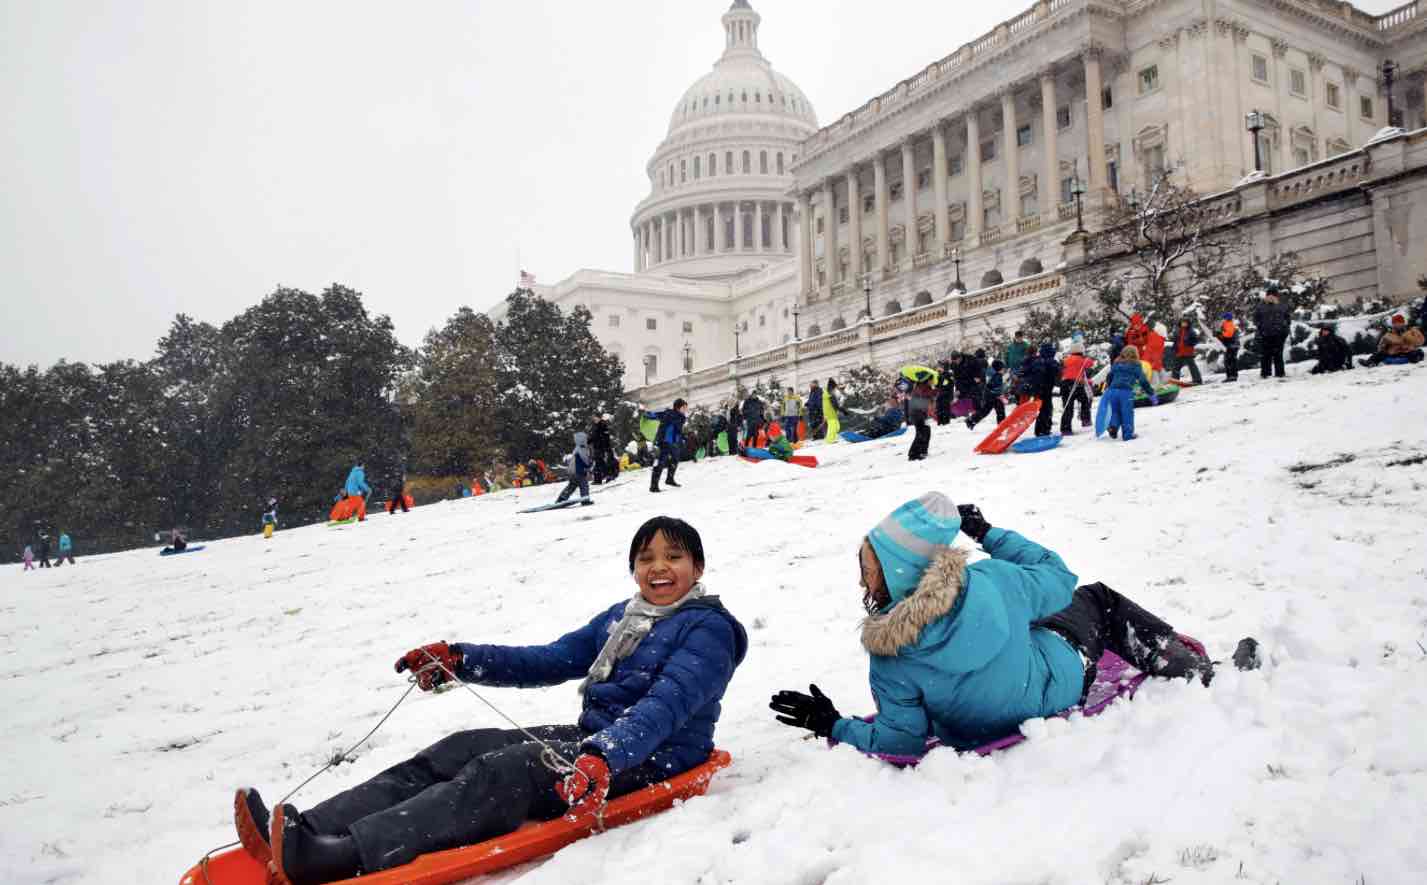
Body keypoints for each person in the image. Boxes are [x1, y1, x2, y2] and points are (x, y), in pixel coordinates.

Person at [236, 516, 747, 885]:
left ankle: (342, 856)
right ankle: (312, 829)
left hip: (653, 757)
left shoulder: (710, 630)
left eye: (674, 557)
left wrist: (603, 756)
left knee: (509, 770)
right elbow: (548, 659)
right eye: (647, 558)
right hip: (598, 743)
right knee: (463, 747)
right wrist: (461, 658)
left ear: (697, 567)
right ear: (633, 568)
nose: (659, 568)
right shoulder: (624, 617)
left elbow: (665, 706)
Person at [768, 493, 1259, 758]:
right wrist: (985, 532)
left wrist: (831, 723)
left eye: (867, 566)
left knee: (1029, 612)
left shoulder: (888, 655)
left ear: (894, 576)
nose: (862, 576)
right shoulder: (993, 580)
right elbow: (1059, 577)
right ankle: (1196, 671)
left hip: (976, 726)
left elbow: (902, 740)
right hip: (1054, 687)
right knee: (1096, 599)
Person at [1097, 345, 1157, 441]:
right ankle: (1128, 435)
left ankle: (1113, 426)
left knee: (1115, 411)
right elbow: (1143, 381)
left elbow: (1109, 376)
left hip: (1112, 391)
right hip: (1125, 392)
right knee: (1127, 412)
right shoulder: (1136, 364)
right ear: (1135, 354)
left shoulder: (1116, 363)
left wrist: (1109, 386)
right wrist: (1151, 394)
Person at [646, 399, 689, 493]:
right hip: (664, 442)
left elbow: (678, 430)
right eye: (684, 407)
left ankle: (669, 479)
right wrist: (648, 414)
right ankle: (653, 486)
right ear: (679, 407)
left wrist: (682, 439)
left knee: (675, 460)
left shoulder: (681, 417)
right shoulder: (669, 414)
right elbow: (656, 415)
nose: (686, 409)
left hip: (674, 443)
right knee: (661, 463)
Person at [1021, 343, 1061, 438]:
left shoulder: (1037, 360)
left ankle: (1040, 430)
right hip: (1045, 388)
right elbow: (1058, 371)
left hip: (1037, 389)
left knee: (1042, 409)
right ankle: (1044, 430)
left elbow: (1026, 371)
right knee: (1046, 409)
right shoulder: (1050, 361)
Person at [1253, 286, 1292, 379]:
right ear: (1266, 296)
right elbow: (1255, 319)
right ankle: (1266, 373)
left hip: (1278, 335)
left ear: (1276, 296)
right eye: (1269, 295)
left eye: (1273, 295)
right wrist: (1261, 327)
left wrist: (1284, 329)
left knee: (1278, 355)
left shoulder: (1282, 306)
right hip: (1265, 335)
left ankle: (1280, 373)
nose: (1271, 297)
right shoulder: (1260, 306)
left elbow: (1288, 319)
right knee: (1266, 355)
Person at [899, 366, 937, 461]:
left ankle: (922, 451)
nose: (933, 382)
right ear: (928, 380)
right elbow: (925, 398)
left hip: (920, 414)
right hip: (917, 414)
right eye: (932, 379)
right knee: (922, 433)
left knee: (925, 431)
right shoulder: (921, 387)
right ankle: (913, 454)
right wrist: (934, 393)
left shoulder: (925, 387)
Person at [1058, 341, 1095, 436]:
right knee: (1084, 401)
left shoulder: (1066, 359)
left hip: (1065, 384)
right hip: (1076, 384)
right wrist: (1086, 357)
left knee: (1067, 406)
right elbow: (1091, 364)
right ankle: (1085, 419)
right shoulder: (1083, 360)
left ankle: (1065, 429)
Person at [1360, 314, 1425, 366]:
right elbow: (1380, 346)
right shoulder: (1389, 334)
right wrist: (1384, 347)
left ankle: (1416, 358)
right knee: (1379, 354)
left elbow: (1421, 341)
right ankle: (1369, 363)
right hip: (1394, 353)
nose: (1397, 325)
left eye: (1399, 323)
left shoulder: (1411, 331)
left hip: (1407, 352)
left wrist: (1407, 337)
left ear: (1403, 323)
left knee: (1416, 353)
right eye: (1395, 323)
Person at [553, 432, 594, 505]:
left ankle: (561, 499)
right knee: (584, 485)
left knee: (572, 486)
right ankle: (585, 500)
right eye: (586, 439)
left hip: (573, 471)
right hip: (579, 471)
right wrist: (588, 465)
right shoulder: (581, 449)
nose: (587, 440)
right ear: (582, 440)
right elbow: (583, 461)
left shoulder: (578, 448)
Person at [965, 360, 1007, 430]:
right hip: (993, 396)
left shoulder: (992, 374)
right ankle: (1002, 426)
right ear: (999, 368)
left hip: (989, 396)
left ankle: (971, 420)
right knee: (999, 410)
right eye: (1002, 368)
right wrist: (999, 394)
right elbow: (995, 387)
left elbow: (988, 385)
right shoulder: (997, 376)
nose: (1003, 370)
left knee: (985, 411)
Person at [1169, 318, 1203, 385]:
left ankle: (1197, 380)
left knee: (1192, 366)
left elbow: (1195, 340)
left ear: (1188, 323)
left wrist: (1189, 342)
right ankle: (1175, 381)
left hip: (1188, 352)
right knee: (1176, 367)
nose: (1184, 324)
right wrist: (1174, 348)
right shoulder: (1178, 331)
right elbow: (1176, 341)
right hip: (1179, 352)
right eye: (1182, 322)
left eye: (1185, 322)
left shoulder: (1191, 331)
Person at [589, 415, 616, 484]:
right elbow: (593, 437)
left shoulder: (603, 425)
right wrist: (587, 441)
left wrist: (605, 447)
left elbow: (606, 437)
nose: (595, 419)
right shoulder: (594, 426)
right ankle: (597, 480)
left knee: (602, 463)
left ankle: (609, 476)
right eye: (594, 418)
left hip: (603, 447)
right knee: (598, 463)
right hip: (596, 447)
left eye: (596, 418)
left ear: (599, 418)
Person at [1215, 312, 1240, 382]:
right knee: (1231, 361)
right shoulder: (1228, 323)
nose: (1223, 319)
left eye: (1224, 318)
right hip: (1232, 345)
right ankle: (1232, 376)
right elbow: (1225, 335)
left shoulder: (1228, 323)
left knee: (1229, 361)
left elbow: (1228, 335)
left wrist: (1220, 334)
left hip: (1231, 345)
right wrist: (1219, 335)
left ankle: (1231, 376)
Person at [934, 359, 956, 425]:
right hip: (940, 394)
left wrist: (942, 377)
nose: (939, 368)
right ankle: (940, 422)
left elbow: (948, 384)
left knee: (945, 409)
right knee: (939, 408)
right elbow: (937, 385)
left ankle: (945, 422)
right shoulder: (939, 375)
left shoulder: (949, 374)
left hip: (946, 395)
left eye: (940, 366)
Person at [822, 379, 843, 443]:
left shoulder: (827, 393)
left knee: (837, 427)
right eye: (834, 388)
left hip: (830, 413)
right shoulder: (829, 394)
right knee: (833, 427)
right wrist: (843, 410)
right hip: (830, 413)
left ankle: (831, 438)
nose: (835, 389)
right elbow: (835, 404)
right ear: (831, 387)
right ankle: (829, 440)